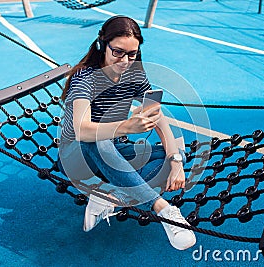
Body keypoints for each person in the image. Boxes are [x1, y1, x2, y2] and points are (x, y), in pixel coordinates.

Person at [58, 15, 196, 250]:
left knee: (178, 151)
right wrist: (127, 127)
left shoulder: (135, 74)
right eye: (118, 52)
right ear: (103, 45)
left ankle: (111, 194)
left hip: (113, 150)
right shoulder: (85, 78)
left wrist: (175, 163)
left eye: (132, 54)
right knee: (99, 142)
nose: (125, 60)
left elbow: (158, 118)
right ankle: (164, 210)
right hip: (76, 156)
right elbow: (82, 130)